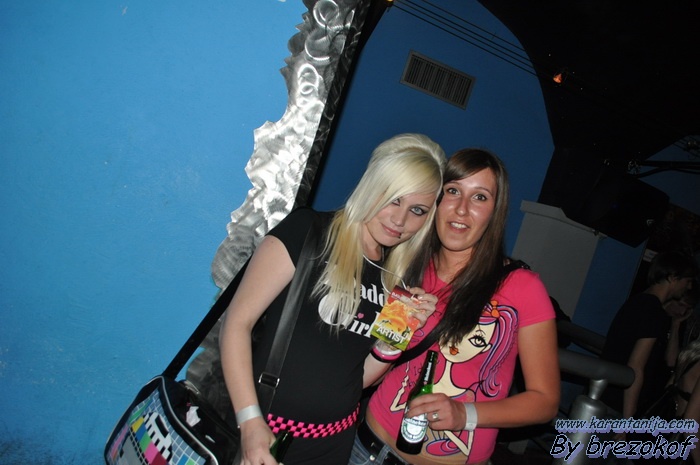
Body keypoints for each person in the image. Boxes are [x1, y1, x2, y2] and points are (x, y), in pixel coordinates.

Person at [219, 133, 446, 465]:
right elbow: (237, 323)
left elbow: (355, 379)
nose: (400, 221)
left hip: (334, 442)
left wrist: (392, 343)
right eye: (392, 199)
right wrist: (250, 421)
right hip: (267, 431)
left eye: (417, 210)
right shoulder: (308, 231)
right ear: (372, 186)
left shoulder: (397, 279)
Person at [349, 148, 560, 465]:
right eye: (453, 191)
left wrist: (465, 413)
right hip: (365, 450)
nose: (462, 209)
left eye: (480, 197)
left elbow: (545, 401)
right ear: (436, 199)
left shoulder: (522, 287)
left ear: (494, 212)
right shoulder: (406, 268)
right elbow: (373, 373)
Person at [600, 251, 698, 421]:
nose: (688, 287)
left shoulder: (638, 301)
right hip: (617, 405)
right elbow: (636, 366)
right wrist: (629, 418)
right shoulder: (654, 310)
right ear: (673, 277)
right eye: (687, 281)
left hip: (605, 393)